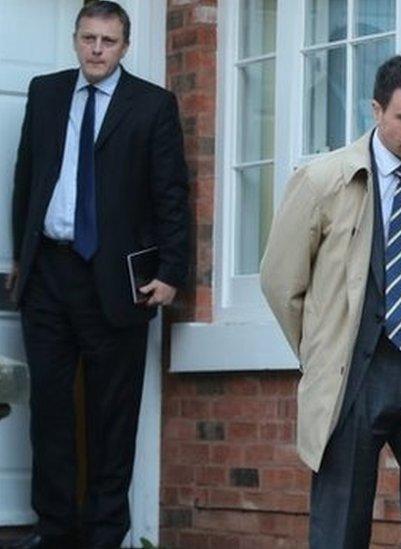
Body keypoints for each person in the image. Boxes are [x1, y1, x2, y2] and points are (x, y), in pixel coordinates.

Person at [260, 54, 401, 548]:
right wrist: (322, 350)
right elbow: (279, 281)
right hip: (351, 372)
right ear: (376, 110)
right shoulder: (321, 181)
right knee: (341, 529)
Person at [7, 2, 189, 547]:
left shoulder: (153, 106)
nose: (97, 50)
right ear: (75, 39)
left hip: (118, 284)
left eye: (108, 41)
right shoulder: (45, 94)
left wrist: (172, 270)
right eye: (88, 38)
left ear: (125, 47)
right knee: (51, 414)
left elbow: (171, 194)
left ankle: (107, 532)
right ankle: (55, 529)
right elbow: (26, 177)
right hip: (50, 279)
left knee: (112, 416)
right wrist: (23, 254)